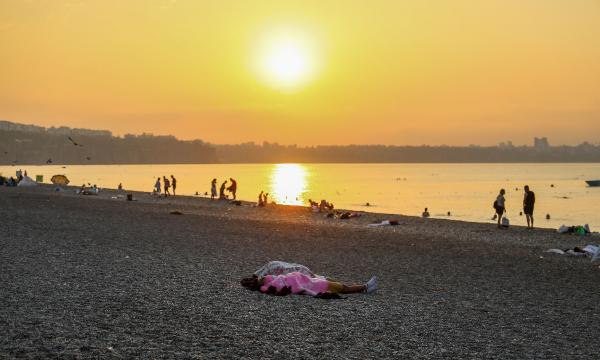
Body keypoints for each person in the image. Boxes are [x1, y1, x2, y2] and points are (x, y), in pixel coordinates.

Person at [241, 272, 377, 297]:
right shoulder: (273, 284)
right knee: (344, 288)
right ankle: (365, 287)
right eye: (261, 278)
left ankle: (364, 288)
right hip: (319, 286)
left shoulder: (273, 280)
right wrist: (315, 294)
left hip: (314, 282)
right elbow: (299, 288)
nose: (262, 277)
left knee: (342, 286)